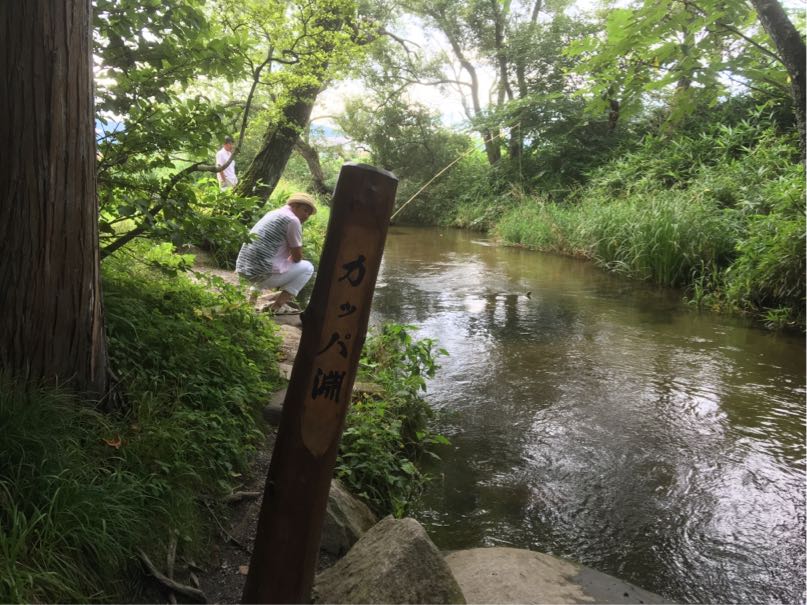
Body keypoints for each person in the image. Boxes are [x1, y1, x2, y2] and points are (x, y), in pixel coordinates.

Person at [235, 193, 317, 313]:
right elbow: (297, 258)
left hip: (242, 269)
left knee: (269, 259)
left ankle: (252, 301)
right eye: (305, 211)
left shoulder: (274, 213)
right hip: (260, 275)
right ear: (294, 205)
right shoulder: (293, 221)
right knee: (308, 268)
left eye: (309, 214)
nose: (306, 216)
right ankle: (276, 308)